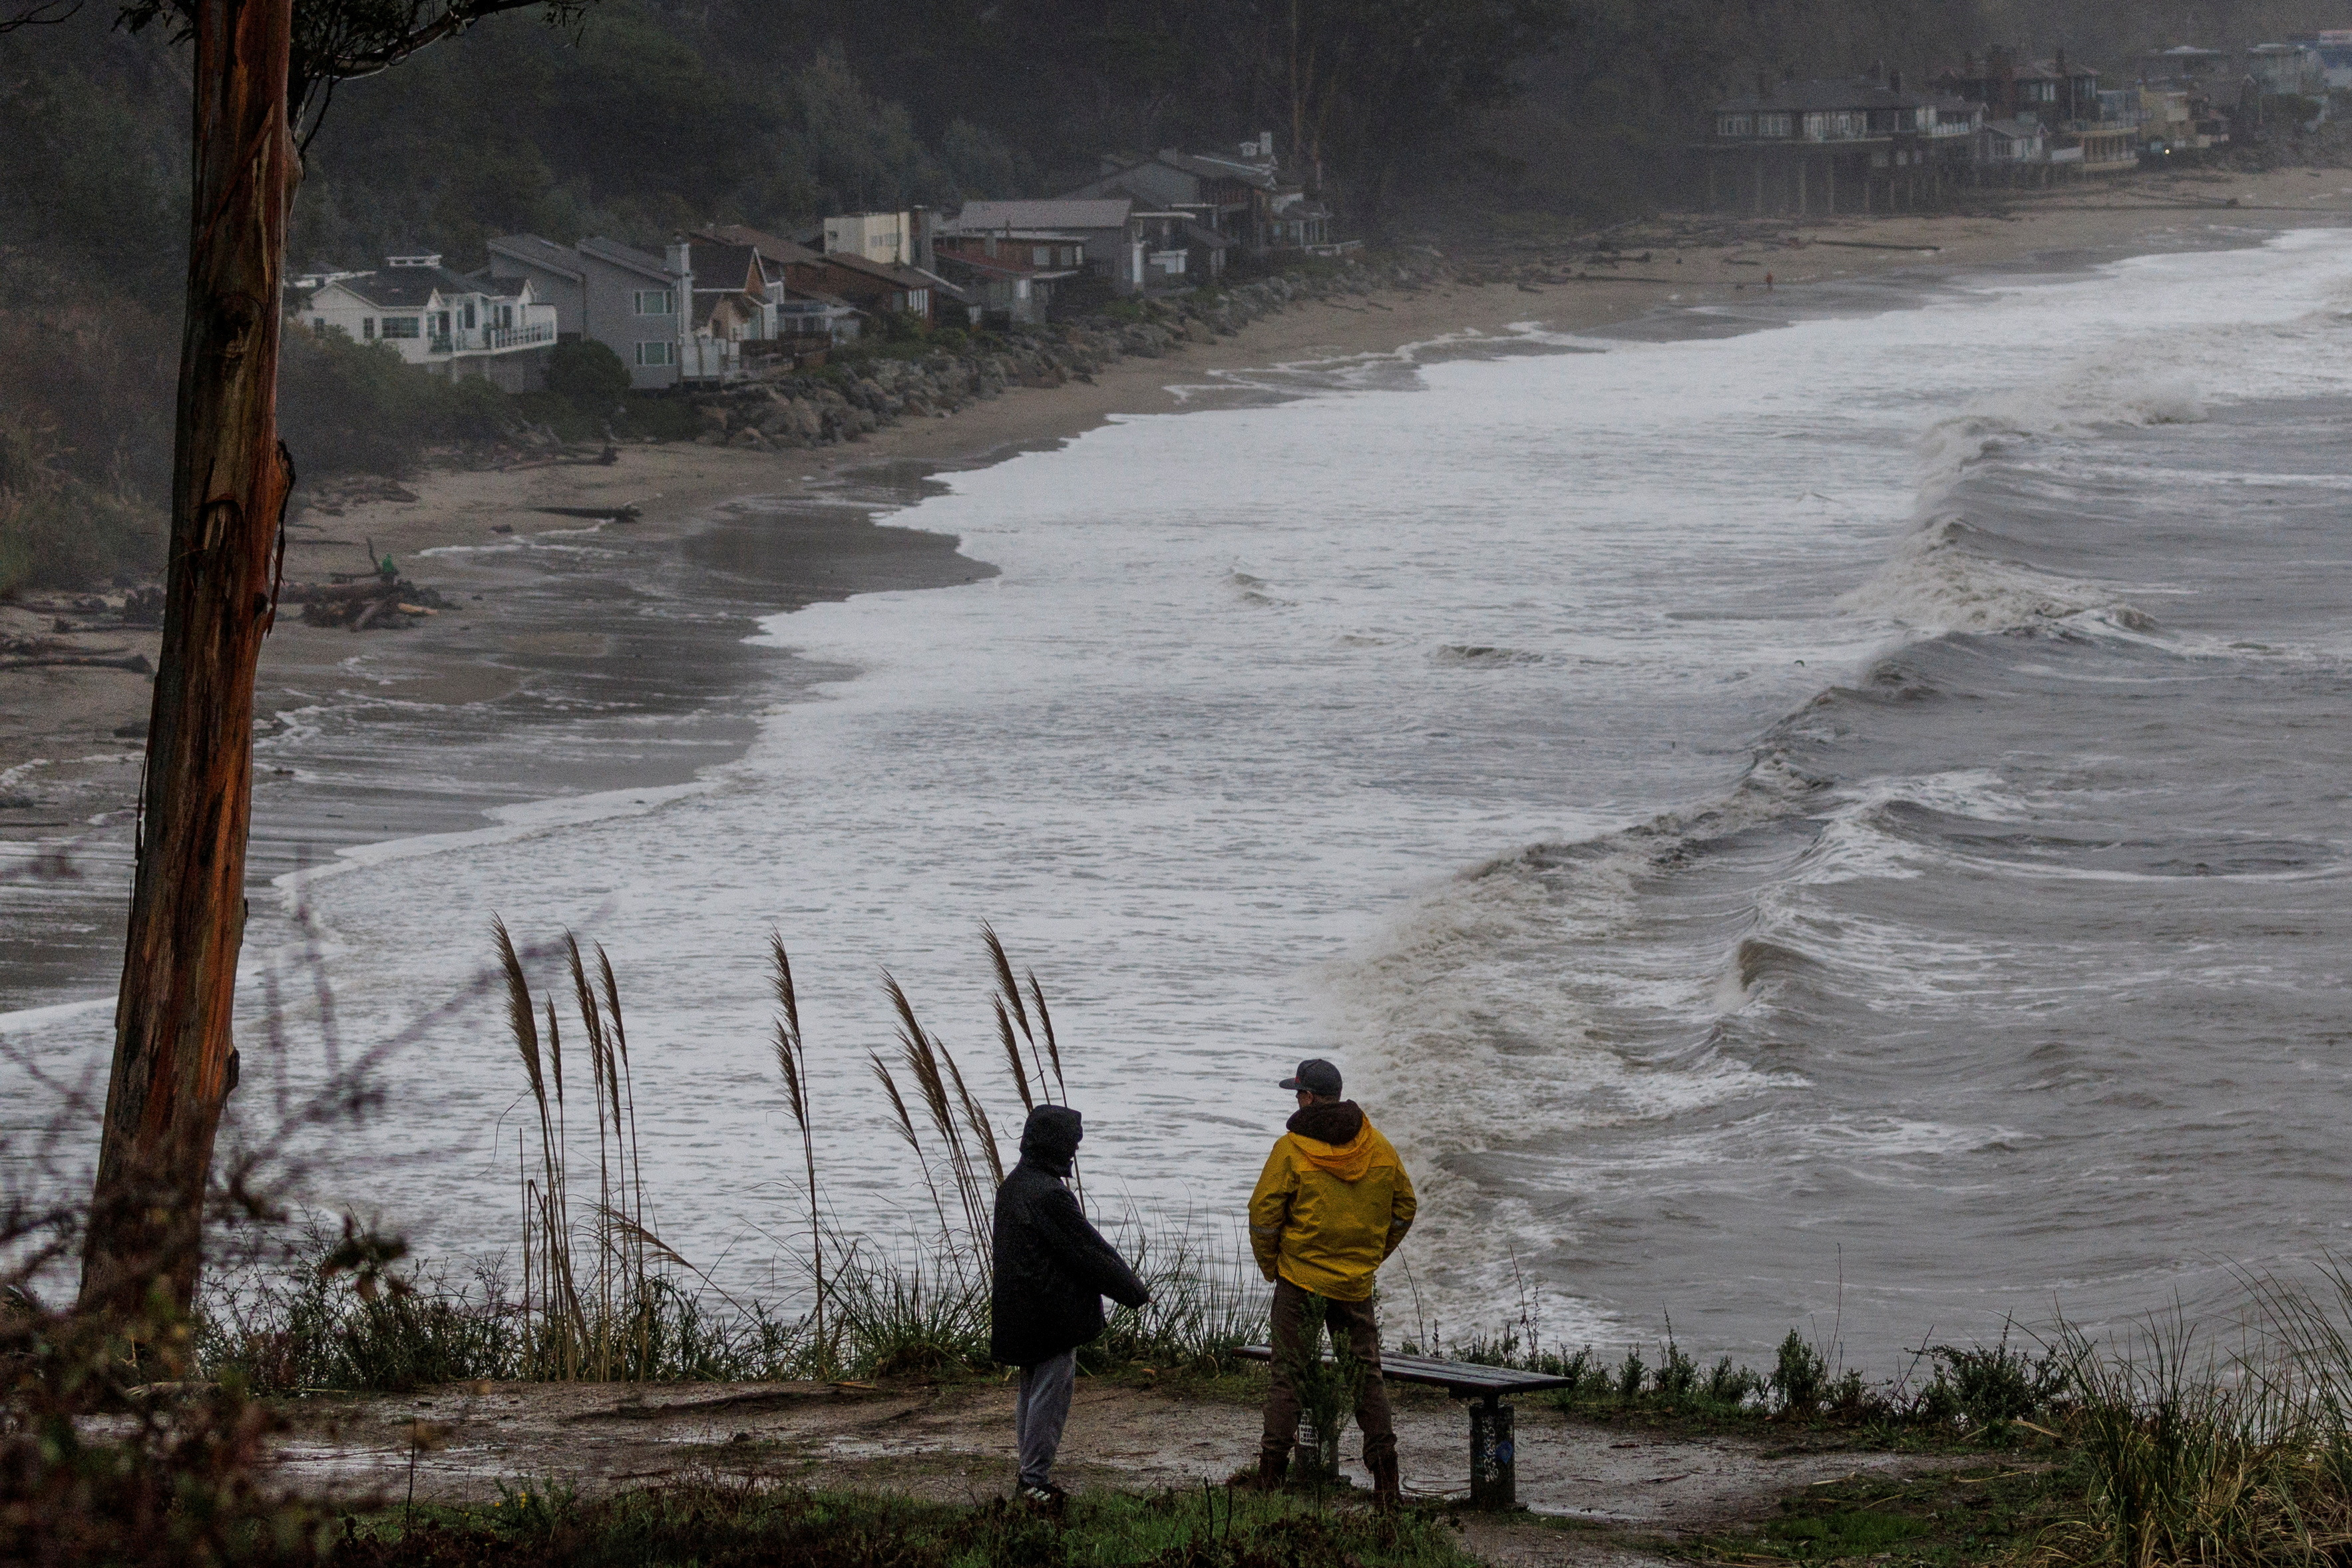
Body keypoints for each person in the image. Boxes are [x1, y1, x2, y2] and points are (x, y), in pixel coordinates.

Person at [1247, 1058, 1416, 1507]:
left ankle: (1269, 1478)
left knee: (1288, 1377)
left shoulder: (1290, 1149)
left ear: (1308, 1097)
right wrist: (1368, 1257)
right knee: (1366, 1378)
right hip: (1354, 1286)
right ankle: (1386, 1483)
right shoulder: (1377, 1147)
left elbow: (1263, 1218)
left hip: (1298, 1280)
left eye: (1298, 1092)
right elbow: (1405, 1208)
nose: (1297, 1099)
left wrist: (1274, 1267)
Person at [990, 1103, 1150, 1504]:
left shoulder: (1013, 1185)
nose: (1074, 1154)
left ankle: (1029, 1474)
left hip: (1020, 1313)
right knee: (1050, 1395)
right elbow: (1088, 1252)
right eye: (1071, 1146)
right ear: (1056, 1147)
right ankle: (1034, 1480)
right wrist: (1133, 1291)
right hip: (1051, 1317)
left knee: (1031, 1392)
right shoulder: (1050, 1195)